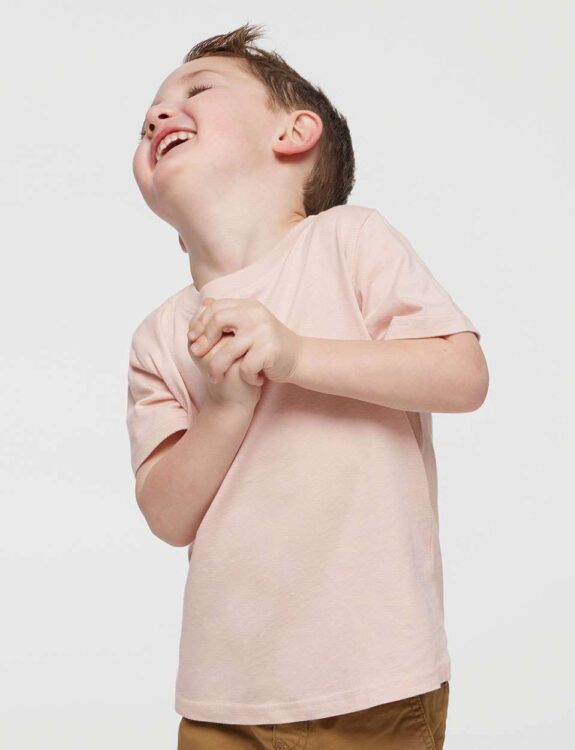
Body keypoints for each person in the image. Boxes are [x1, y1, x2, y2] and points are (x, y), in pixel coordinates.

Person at [126, 21, 488, 750]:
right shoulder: (160, 335)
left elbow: (462, 374)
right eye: (146, 121)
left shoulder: (348, 240)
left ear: (294, 134)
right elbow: (167, 516)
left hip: (375, 682)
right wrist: (224, 409)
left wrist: (294, 355)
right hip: (224, 698)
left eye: (198, 90)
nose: (159, 114)